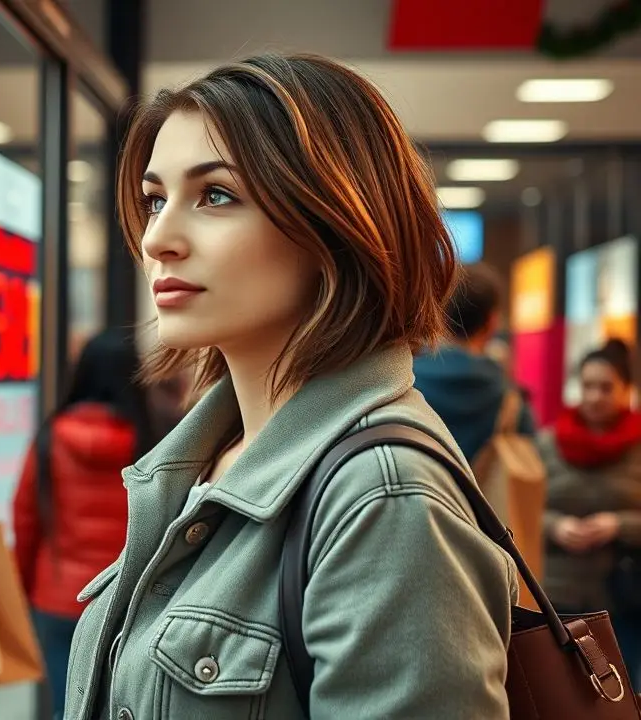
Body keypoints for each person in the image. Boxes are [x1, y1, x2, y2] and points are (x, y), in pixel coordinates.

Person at [64, 54, 515, 719]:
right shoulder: (205, 459)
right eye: (155, 199)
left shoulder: (382, 498)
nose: (158, 237)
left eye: (215, 194)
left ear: (334, 225)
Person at [11, 328, 154, 719]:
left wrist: (23, 586)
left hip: (57, 595)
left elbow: (25, 518)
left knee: (64, 706)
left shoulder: (50, 437)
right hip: (126, 599)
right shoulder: (155, 441)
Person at [539, 339, 641, 675]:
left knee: (621, 693)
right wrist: (554, 525)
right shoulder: (548, 444)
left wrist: (618, 525)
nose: (595, 396)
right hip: (555, 596)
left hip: (621, 600)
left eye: (606, 387)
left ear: (627, 389)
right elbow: (517, 514)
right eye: (587, 386)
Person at [414, 262, 536, 460]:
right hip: (485, 491)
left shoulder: (407, 384)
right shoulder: (509, 400)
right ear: (492, 321)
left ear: (438, 313)